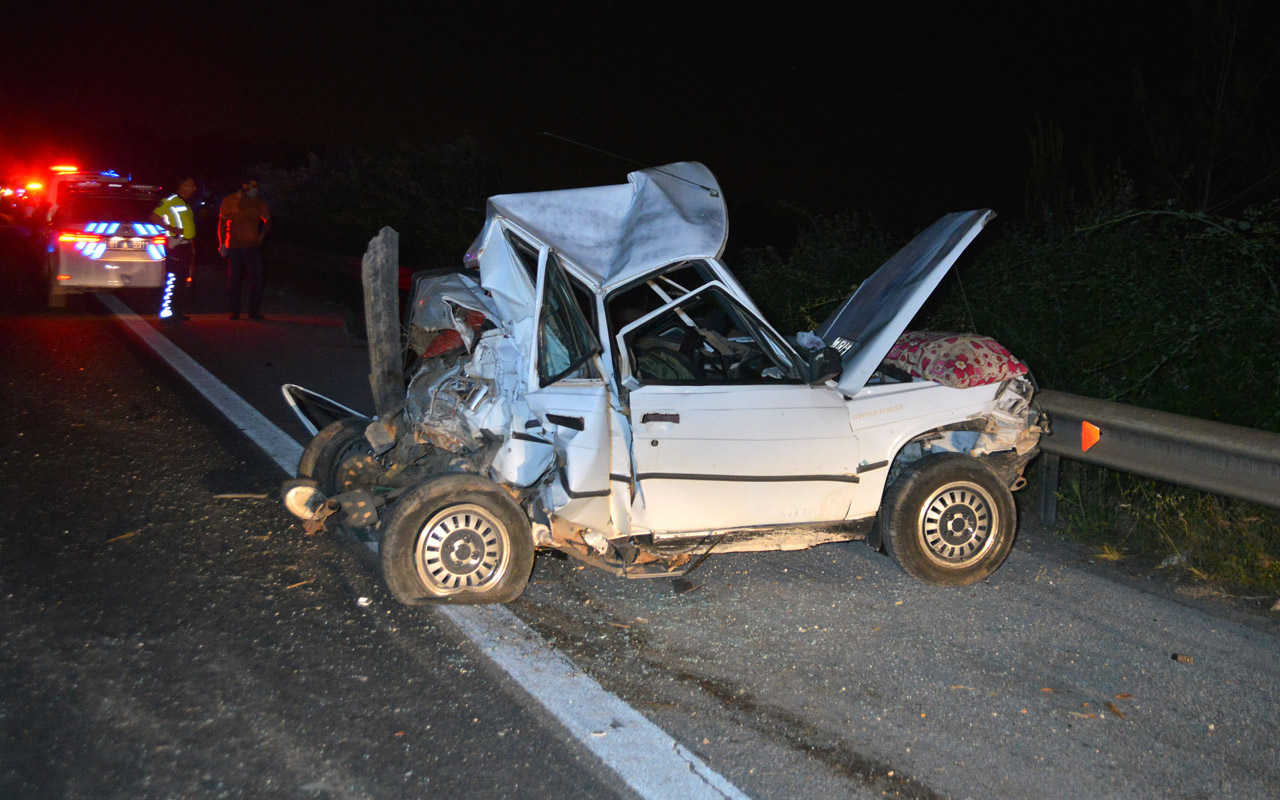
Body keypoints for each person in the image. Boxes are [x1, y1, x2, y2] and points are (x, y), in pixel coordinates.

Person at [218, 173, 271, 320]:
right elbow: (222, 222)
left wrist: (261, 236)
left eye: (257, 187)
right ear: (244, 185)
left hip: (252, 245)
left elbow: (268, 219)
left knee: (257, 278)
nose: (255, 190)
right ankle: (235, 310)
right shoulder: (230, 200)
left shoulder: (257, 202)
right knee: (234, 278)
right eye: (253, 186)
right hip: (235, 246)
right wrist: (222, 243)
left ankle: (254, 311)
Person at [151, 177, 198, 321]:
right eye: (190, 185)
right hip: (176, 246)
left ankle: (176, 310)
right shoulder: (170, 200)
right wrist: (171, 229)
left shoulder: (185, 204)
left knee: (181, 279)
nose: (194, 189)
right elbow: (154, 216)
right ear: (182, 186)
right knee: (173, 278)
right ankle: (167, 311)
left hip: (185, 246)